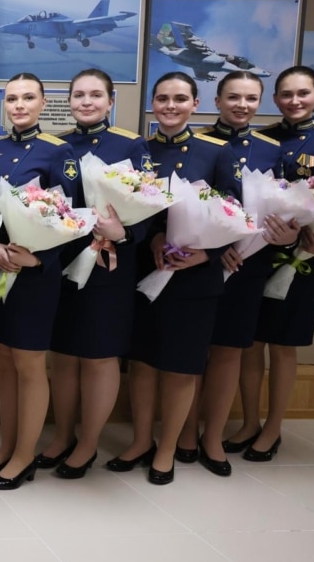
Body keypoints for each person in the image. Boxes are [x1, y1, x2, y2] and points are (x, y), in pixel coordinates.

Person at [107, 71, 239, 486]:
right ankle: (142, 440)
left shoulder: (215, 152)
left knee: (182, 366)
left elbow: (235, 211)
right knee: (143, 363)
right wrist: (156, 237)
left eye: (179, 98)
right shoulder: (139, 151)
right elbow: (130, 209)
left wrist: (208, 251)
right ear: (152, 104)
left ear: (195, 104)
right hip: (149, 267)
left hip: (195, 276)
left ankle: (167, 449)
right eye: (162, 98)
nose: (169, 105)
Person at [0, 72, 80, 490]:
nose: (19, 105)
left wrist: (39, 257)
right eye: (12, 98)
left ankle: (24, 454)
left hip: (35, 273)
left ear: (42, 103)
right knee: (3, 358)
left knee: (30, 362)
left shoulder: (59, 151)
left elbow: (72, 216)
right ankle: (6, 446)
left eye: (28, 98)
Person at [183, 71, 293, 476]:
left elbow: (281, 204)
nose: (242, 105)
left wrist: (288, 231)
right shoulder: (197, 142)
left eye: (250, 98)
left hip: (248, 264)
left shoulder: (270, 148)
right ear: (217, 99)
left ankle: (213, 437)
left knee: (230, 351)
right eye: (233, 97)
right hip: (201, 263)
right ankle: (185, 431)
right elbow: (186, 204)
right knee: (194, 351)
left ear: (260, 101)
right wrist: (216, 248)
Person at [41, 69, 147, 479]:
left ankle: (88, 445)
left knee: (100, 356)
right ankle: (62, 435)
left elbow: (152, 206)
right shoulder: (57, 147)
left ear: (111, 99)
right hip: (63, 262)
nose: (86, 102)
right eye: (79, 94)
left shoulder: (130, 145)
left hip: (109, 263)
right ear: (68, 100)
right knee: (64, 354)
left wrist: (126, 232)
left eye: (95, 95)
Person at [229, 65, 314, 462]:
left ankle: (274, 427)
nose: (294, 101)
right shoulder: (262, 140)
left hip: (304, 258)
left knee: (282, 346)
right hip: (257, 252)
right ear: (275, 99)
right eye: (285, 94)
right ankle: (249, 421)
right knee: (251, 343)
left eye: (303, 93)